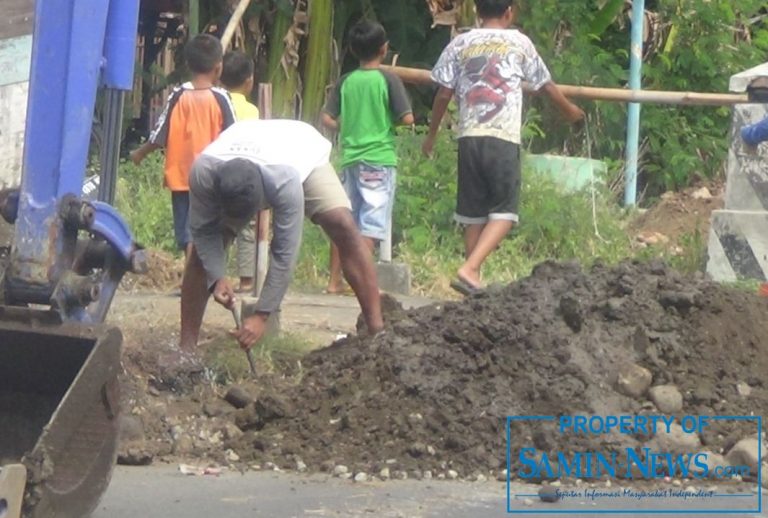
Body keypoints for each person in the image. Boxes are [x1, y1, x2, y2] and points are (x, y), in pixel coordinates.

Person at [422, 0, 585, 295]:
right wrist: (571, 111)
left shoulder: (461, 43)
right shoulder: (519, 42)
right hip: (502, 136)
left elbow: (443, 93)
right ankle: (470, 269)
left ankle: (472, 281)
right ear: (509, 12)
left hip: (469, 135)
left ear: (477, 12)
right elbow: (545, 85)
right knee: (505, 212)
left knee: (474, 213)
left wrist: (431, 135)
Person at [181, 119, 385, 352]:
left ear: (263, 198)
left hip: (301, 151)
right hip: (245, 145)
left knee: (343, 224)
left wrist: (262, 315)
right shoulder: (203, 173)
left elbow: (284, 252)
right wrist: (217, 277)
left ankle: (377, 334)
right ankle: (185, 351)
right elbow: (204, 232)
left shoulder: (284, 182)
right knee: (201, 255)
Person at [321, 21, 414, 295]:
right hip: (379, 159)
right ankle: (360, 280)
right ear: (384, 49)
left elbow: (326, 117)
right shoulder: (388, 79)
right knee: (370, 225)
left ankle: (334, 281)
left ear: (351, 49)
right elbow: (407, 119)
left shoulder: (346, 81)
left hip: (349, 159)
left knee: (343, 222)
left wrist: (347, 127)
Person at [130, 34, 236, 259]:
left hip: (182, 175)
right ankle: (198, 277)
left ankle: (191, 276)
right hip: (211, 176)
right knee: (205, 228)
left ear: (187, 65)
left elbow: (159, 134)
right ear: (219, 68)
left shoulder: (178, 95)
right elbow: (234, 135)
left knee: (186, 231)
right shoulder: (221, 98)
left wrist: (140, 153)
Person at [220, 51, 260, 293]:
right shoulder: (252, 111)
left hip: (219, 171)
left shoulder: (215, 101)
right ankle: (246, 280)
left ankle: (215, 275)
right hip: (244, 174)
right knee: (247, 228)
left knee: (217, 227)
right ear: (249, 82)